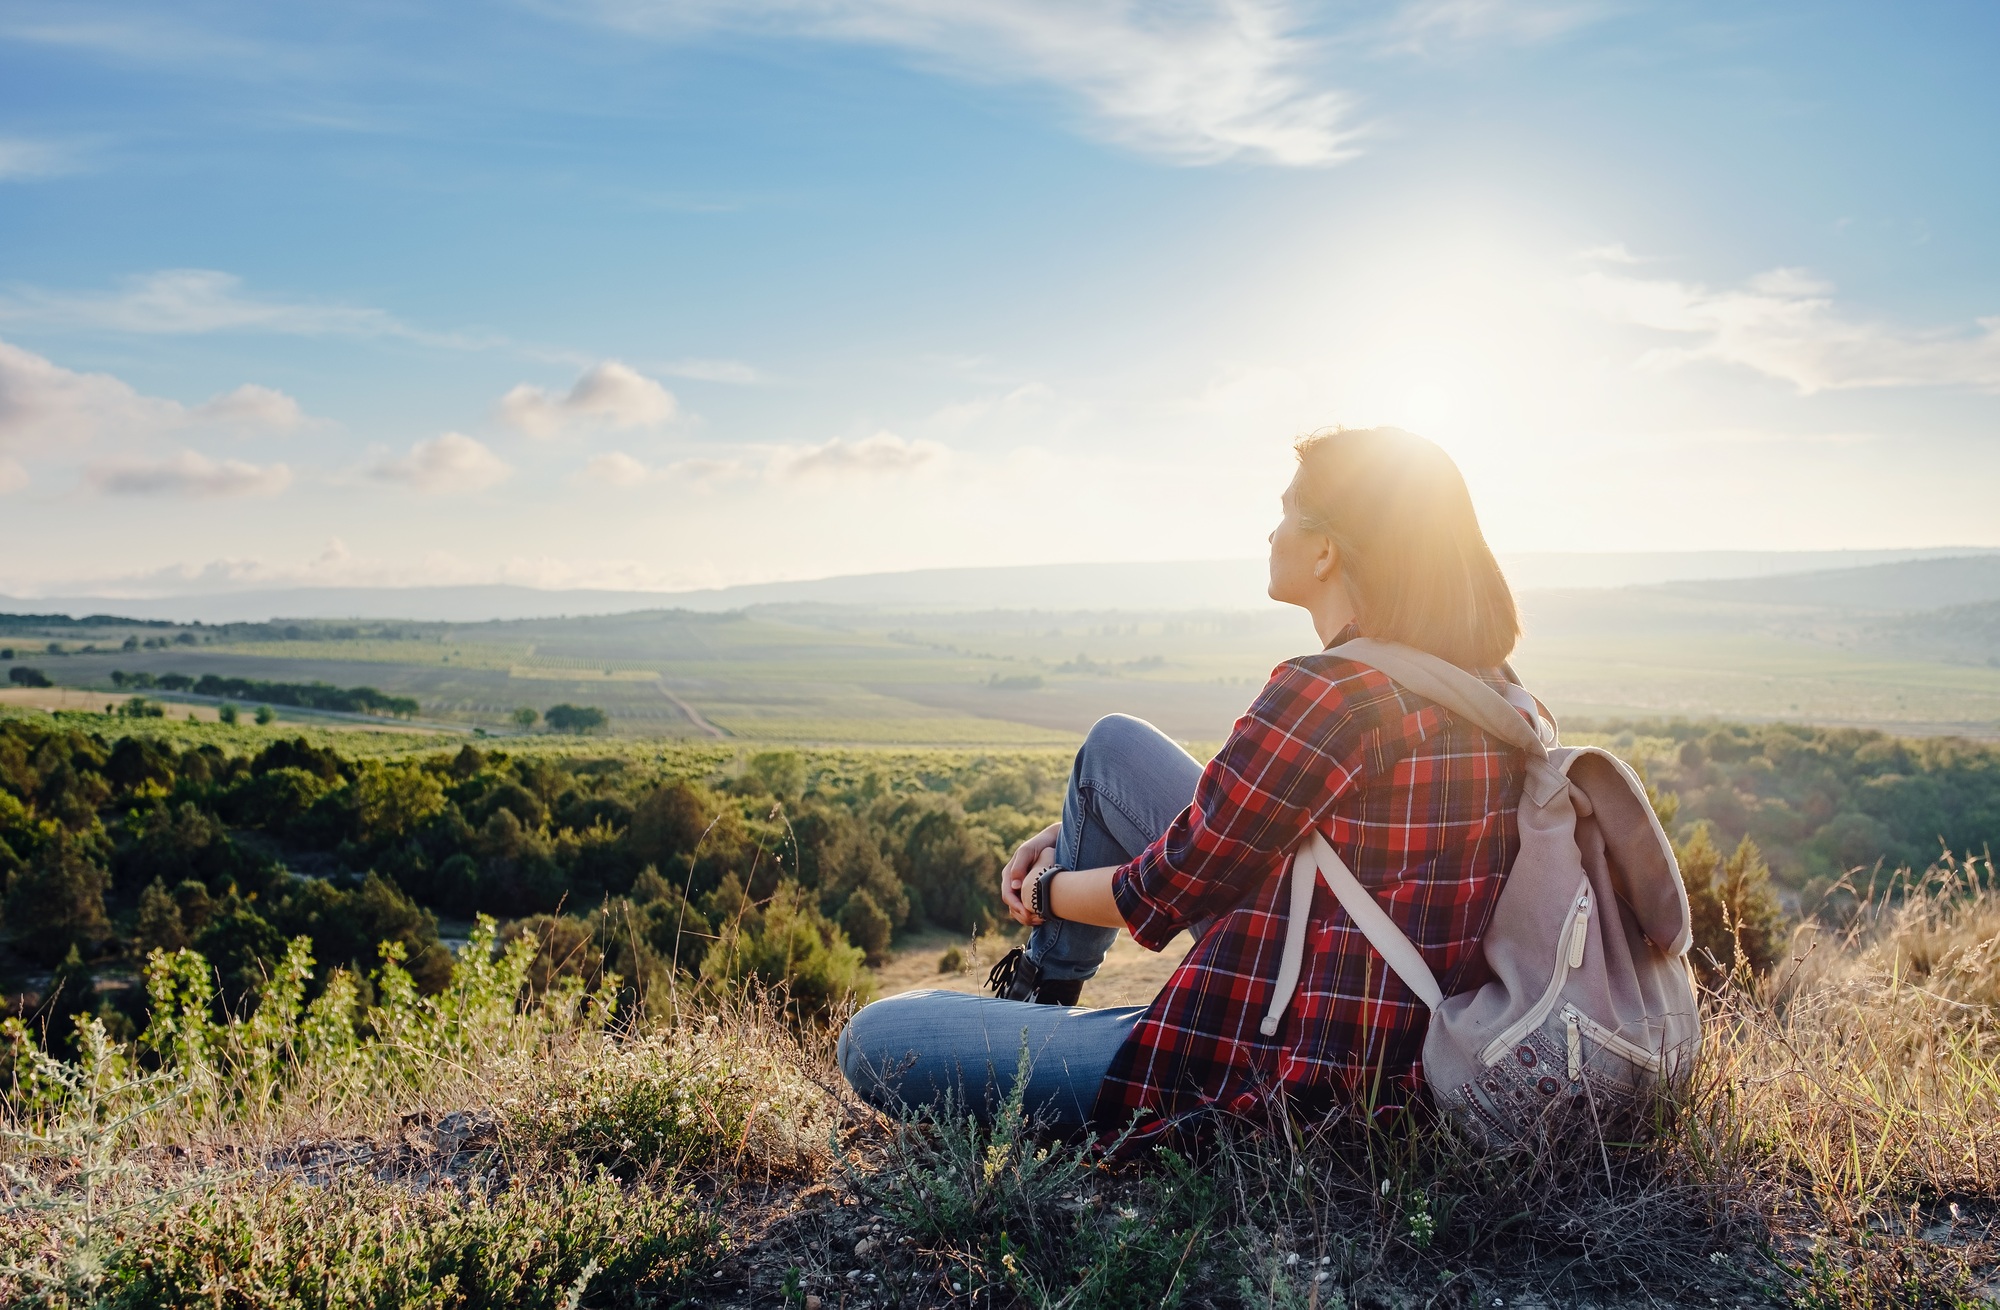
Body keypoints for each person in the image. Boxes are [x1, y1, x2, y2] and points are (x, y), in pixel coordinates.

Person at [836, 427, 1530, 1146]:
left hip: (1288, 1065)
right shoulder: (1493, 692)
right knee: (1113, 751)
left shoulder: (1332, 694)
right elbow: (1256, 834)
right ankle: (1041, 1000)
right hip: (1405, 1028)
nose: (1271, 529)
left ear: (1326, 551)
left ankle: (1039, 1012)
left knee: (876, 1038)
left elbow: (1163, 890)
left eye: (1288, 510)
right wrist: (1075, 832)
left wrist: (1043, 893)